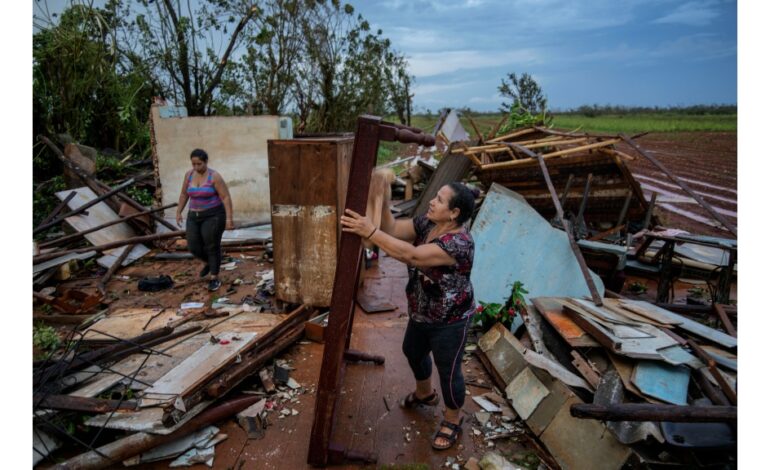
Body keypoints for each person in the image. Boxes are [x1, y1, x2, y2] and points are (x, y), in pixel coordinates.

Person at [340, 179, 476, 451]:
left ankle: (452, 419)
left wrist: (370, 230)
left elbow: (412, 255)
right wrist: (383, 196)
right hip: (421, 311)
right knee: (412, 351)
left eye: (439, 199)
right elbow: (392, 229)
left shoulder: (459, 243)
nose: (431, 202)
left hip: (450, 320)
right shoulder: (428, 224)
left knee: (449, 371)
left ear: (454, 213)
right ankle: (425, 394)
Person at [175, 149, 234, 291]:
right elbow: (184, 194)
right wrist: (178, 211)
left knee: (211, 245)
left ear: (206, 162)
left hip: (213, 215)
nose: (196, 167)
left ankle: (214, 277)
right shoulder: (189, 175)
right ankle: (209, 262)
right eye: (194, 164)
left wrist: (229, 219)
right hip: (193, 216)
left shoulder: (214, 177)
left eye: (199, 164)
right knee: (193, 246)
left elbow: (225, 197)